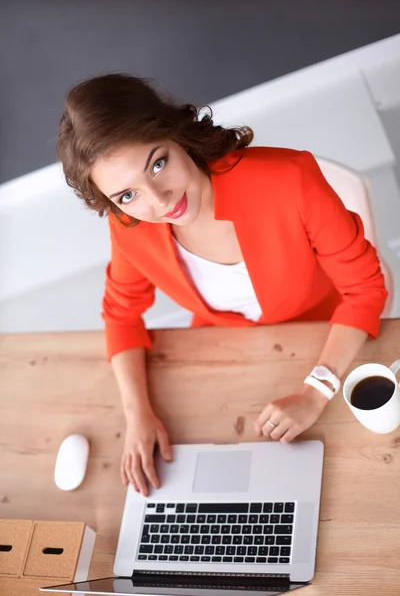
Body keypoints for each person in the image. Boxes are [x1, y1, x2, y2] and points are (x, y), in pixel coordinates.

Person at [57, 73, 388, 496]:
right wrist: (137, 413)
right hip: (222, 350)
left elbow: (364, 289)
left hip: (322, 337)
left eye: (158, 163)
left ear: (176, 134)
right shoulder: (130, 226)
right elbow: (121, 315)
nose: (159, 202)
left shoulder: (290, 179)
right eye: (126, 195)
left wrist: (316, 392)